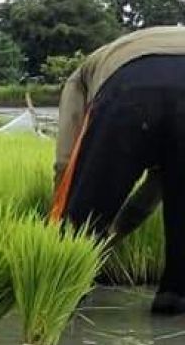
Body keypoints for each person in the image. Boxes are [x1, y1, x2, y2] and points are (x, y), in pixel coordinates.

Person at [50, 27, 185, 315]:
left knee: (83, 217)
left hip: (129, 87)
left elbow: (65, 160)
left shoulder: (81, 75)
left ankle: (60, 294)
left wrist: (59, 217)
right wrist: (117, 232)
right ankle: (173, 299)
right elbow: (154, 191)